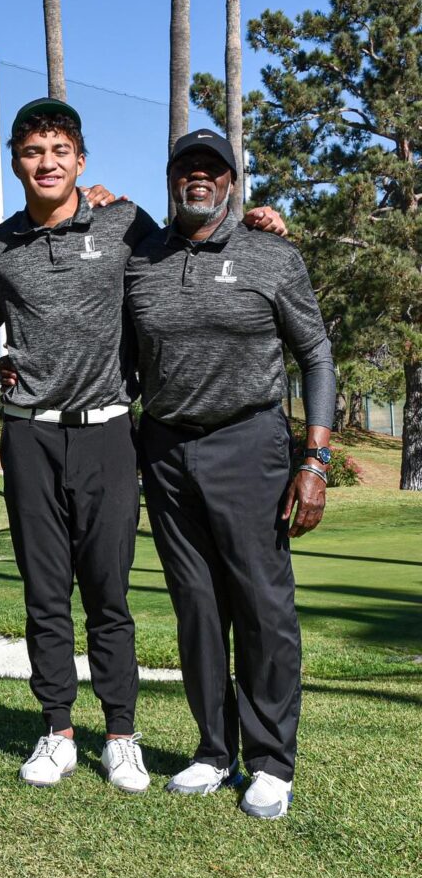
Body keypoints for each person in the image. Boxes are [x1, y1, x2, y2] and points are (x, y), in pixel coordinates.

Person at [0, 100, 289, 792]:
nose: (46, 162)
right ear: (14, 161)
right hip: (28, 433)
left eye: (60, 149)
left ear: (82, 160)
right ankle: (56, 730)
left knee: (108, 594)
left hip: (112, 431)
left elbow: (196, 244)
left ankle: (122, 734)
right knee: (44, 594)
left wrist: (261, 222)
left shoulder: (123, 224)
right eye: (32, 151)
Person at [125, 129, 335, 819]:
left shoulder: (271, 255)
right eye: (187, 167)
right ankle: (214, 750)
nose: (198, 178)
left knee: (263, 607)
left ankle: (272, 761)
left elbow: (318, 358)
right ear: (171, 178)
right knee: (196, 606)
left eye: (212, 169)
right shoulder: (141, 258)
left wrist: (316, 458)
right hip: (164, 449)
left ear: (231, 181)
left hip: (250, 445)